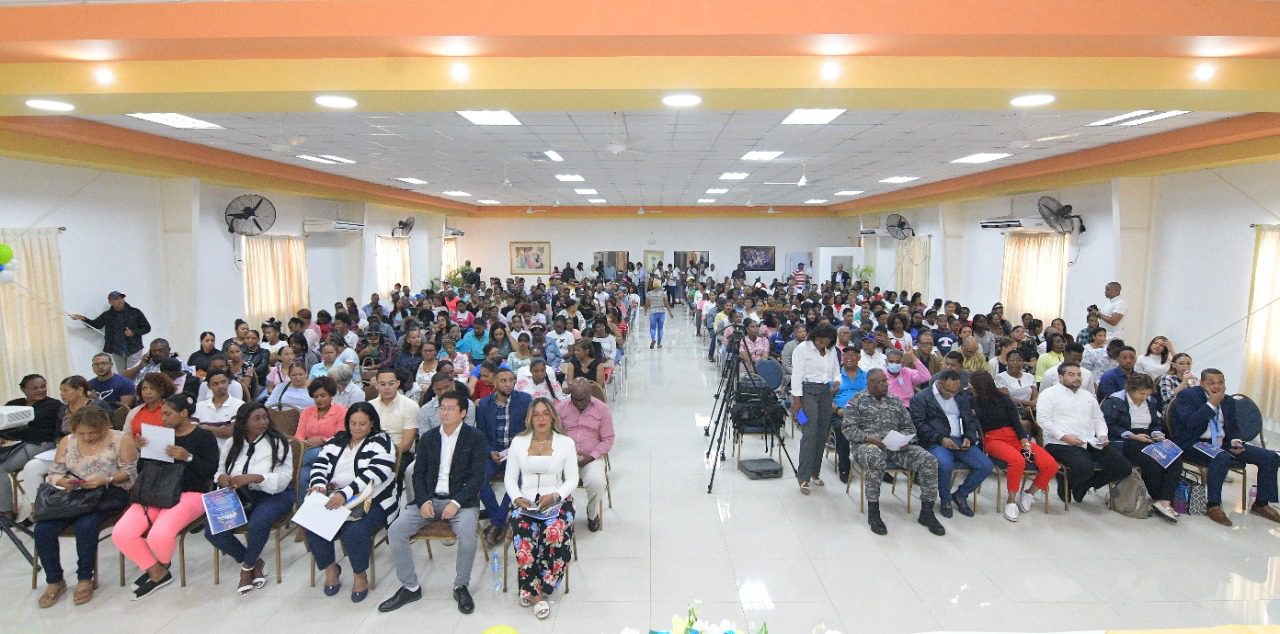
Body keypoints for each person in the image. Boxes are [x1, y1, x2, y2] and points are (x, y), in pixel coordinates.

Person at [379, 391, 487, 615]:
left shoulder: (475, 437)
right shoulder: (428, 438)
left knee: (468, 535)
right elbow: (417, 475)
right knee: (396, 530)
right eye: (441, 408)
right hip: (429, 499)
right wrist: (422, 500)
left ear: (463, 413)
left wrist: (456, 502)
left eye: (450, 409)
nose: (444, 413)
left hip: (461, 502)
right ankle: (410, 586)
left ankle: (461, 585)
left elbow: (477, 477)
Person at [113, 394, 218, 600]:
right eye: (162, 414)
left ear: (184, 413)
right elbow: (146, 470)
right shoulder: (159, 435)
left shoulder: (203, 437)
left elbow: (210, 472)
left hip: (191, 492)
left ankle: (159, 567)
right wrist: (143, 451)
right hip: (156, 489)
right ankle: (156, 571)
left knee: (159, 534)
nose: (163, 419)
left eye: (168, 414)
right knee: (122, 533)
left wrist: (186, 457)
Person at [32, 404, 134, 607]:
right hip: (73, 495)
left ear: (104, 427)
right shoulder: (67, 441)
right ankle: (54, 580)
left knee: (85, 526)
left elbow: (130, 474)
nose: (87, 437)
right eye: (82, 433)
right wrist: (63, 482)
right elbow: (54, 473)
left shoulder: (120, 439)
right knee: (43, 529)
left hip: (107, 494)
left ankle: (85, 577)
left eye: (93, 433)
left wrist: (105, 479)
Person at [305, 402, 399, 602]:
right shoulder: (336, 441)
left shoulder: (381, 441)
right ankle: (331, 568)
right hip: (335, 496)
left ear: (372, 423)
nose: (356, 428)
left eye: (362, 424)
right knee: (313, 523)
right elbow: (320, 465)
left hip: (373, 499)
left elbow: (375, 474)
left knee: (353, 531)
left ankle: (359, 574)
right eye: (353, 423)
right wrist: (319, 485)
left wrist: (345, 494)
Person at [204, 401, 294, 595]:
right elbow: (220, 470)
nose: (263, 422)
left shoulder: (278, 442)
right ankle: (255, 562)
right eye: (257, 418)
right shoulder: (232, 443)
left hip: (274, 495)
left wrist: (256, 477)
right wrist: (222, 477)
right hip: (240, 494)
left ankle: (246, 570)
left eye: (265, 417)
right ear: (244, 423)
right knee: (212, 530)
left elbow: (285, 478)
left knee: (257, 524)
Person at [1172, 368, 1280, 527]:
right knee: (1221, 456)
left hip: (1223, 443)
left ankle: (1261, 504)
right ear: (1202, 383)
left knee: (1270, 457)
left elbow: (1234, 427)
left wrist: (1236, 440)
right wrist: (1211, 404)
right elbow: (1190, 423)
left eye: (1220, 382)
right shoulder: (1187, 396)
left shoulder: (1228, 401)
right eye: (1211, 383)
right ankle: (1213, 505)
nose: (1216, 386)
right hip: (1194, 442)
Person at [843, 369, 946, 536]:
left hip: (895, 447)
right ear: (870, 382)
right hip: (867, 446)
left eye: (886, 381)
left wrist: (906, 440)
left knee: (928, 459)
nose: (886, 384)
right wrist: (869, 437)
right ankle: (874, 511)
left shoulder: (895, 401)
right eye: (881, 382)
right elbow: (848, 430)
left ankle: (927, 512)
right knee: (875, 457)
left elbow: (909, 427)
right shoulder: (857, 402)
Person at [503, 397, 578, 619]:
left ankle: (541, 587)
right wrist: (517, 498)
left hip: (557, 499)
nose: (541, 418)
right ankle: (536, 596)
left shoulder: (565, 442)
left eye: (546, 413)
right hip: (525, 501)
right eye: (536, 414)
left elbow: (572, 479)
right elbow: (509, 480)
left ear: (553, 416)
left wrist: (556, 495)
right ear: (529, 418)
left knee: (555, 534)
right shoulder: (519, 442)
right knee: (523, 533)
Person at [1038, 363, 1131, 504]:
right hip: (1059, 442)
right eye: (1071, 374)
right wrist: (1064, 437)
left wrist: (1102, 435)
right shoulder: (1049, 394)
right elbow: (1043, 420)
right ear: (1060, 377)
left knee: (1123, 468)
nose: (1076, 378)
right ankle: (1065, 483)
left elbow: (1098, 419)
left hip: (1089, 440)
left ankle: (1085, 485)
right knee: (1084, 467)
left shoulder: (1087, 395)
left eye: (1078, 374)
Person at [970, 370, 1057, 522]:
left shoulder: (1004, 399)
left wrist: (1025, 442)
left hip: (1015, 438)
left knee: (1050, 465)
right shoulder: (972, 402)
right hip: (993, 440)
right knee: (1017, 461)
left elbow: (1016, 423)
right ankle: (1011, 500)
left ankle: (1029, 493)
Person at [910, 369, 993, 518]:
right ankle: (945, 500)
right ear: (940, 384)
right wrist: (941, 439)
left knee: (985, 465)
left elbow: (970, 420)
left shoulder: (960, 397)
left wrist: (969, 437)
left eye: (955, 391)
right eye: (948, 391)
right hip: (935, 441)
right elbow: (919, 425)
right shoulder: (922, 398)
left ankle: (961, 495)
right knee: (945, 464)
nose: (951, 394)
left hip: (960, 440)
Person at [1101, 374, 1180, 521]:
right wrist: (1132, 435)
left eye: (1147, 394)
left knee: (1174, 457)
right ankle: (1158, 497)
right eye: (1141, 393)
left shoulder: (1150, 401)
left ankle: (1165, 501)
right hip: (1124, 440)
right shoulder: (1115, 401)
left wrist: (1157, 433)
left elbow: (1156, 423)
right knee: (1152, 461)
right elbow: (1109, 426)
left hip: (1147, 437)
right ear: (1130, 390)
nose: (1144, 397)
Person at [477, 368, 532, 543]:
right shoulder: (485, 404)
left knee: (516, 481)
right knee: (478, 479)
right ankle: (499, 518)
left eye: (511, 380)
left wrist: (516, 450)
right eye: (504, 381)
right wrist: (489, 451)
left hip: (516, 451)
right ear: (494, 383)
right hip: (494, 451)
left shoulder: (524, 400)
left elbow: (529, 430)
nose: (509, 384)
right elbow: (481, 433)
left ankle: (496, 523)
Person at [556, 378, 614, 532]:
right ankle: (558, 515)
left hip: (591, 457)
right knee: (550, 480)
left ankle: (592, 513)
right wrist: (568, 455)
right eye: (575, 399)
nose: (578, 403)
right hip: (565, 457)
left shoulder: (602, 409)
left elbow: (608, 439)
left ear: (590, 395)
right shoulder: (561, 408)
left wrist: (591, 456)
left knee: (597, 482)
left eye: (582, 400)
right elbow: (556, 435)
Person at [1, 374, 63, 519]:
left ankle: (6, 512)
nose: (40, 390)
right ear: (24, 390)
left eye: (43, 386)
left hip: (41, 444)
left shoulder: (53, 405)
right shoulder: (14, 404)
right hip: (14, 443)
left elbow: (36, 431)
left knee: (1, 468)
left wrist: (12, 434)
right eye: (34, 388)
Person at [790, 323, 841, 495]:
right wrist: (796, 401)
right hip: (806, 393)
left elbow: (836, 371)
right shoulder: (802, 349)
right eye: (819, 342)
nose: (822, 345)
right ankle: (802, 476)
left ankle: (815, 472)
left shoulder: (832, 350)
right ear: (814, 337)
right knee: (809, 433)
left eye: (826, 343)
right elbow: (796, 375)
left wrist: (836, 381)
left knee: (822, 433)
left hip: (826, 393)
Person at [69, 291, 151, 375]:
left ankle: (136, 388)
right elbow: (96, 324)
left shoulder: (135, 312)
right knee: (122, 374)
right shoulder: (107, 315)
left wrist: (133, 332)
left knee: (135, 372)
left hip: (134, 348)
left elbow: (147, 328)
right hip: (116, 349)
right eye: (116, 299)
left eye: (121, 298)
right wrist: (84, 319)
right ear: (110, 302)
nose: (120, 301)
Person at [831, 347, 867, 484]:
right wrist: (838, 409)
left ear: (859, 358)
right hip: (841, 412)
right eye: (846, 355)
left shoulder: (866, 375)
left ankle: (881, 464)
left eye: (853, 354)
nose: (849, 357)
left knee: (880, 425)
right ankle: (844, 466)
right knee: (842, 428)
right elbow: (827, 399)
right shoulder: (836, 376)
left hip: (863, 413)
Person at [297, 376, 348, 475]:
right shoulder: (307, 411)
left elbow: (340, 438)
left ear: (331, 395)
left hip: (331, 452)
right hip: (307, 451)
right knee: (302, 476)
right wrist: (305, 443)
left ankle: (291, 465)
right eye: (315, 397)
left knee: (315, 452)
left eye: (323, 395)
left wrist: (322, 440)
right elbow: (299, 435)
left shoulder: (341, 411)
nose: (319, 400)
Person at [369, 368, 420, 457]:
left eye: (391, 383)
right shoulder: (370, 406)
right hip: (371, 452)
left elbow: (406, 444)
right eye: (382, 384)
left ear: (398, 384)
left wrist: (385, 455)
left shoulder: (410, 406)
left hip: (401, 453)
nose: (387, 387)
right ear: (376, 385)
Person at [192, 369, 244, 449]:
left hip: (228, 452)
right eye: (215, 384)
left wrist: (204, 427)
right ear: (209, 386)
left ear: (228, 382)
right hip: (203, 453)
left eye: (223, 382)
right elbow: (192, 431)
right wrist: (220, 429)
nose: (220, 386)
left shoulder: (239, 405)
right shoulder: (199, 406)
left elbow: (231, 431)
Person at [645, 279, 672, 349]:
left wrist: (645, 311)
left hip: (652, 313)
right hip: (661, 312)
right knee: (660, 328)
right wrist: (670, 312)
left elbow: (647, 304)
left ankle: (653, 339)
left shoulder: (649, 293)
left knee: (652, 328)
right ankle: (659, 343)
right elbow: (666, 303)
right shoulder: (663, 293)